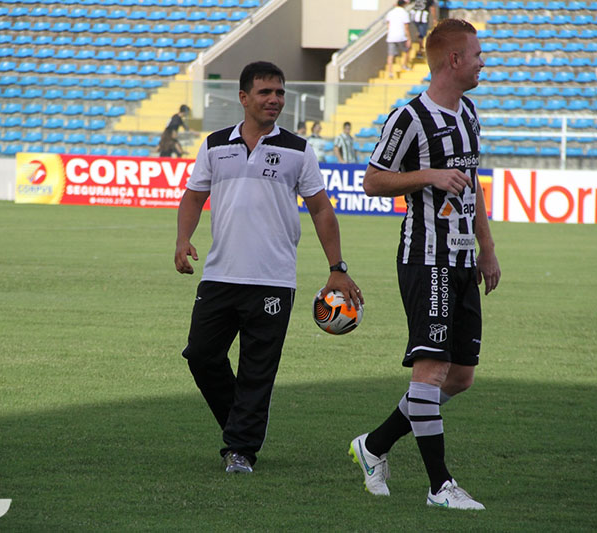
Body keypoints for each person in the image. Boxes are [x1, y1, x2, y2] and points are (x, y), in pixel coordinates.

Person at [175, 61, 363, 474]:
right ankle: (240, 425)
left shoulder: (298, 149)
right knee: (201, 356)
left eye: (279, 93)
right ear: (244, 98)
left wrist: (338, 267)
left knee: (257, 370)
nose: (274, 99)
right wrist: (182, 238)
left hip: (272, 281)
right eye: (265, 92)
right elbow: (193, 197)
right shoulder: (213, 145)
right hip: (220, 274)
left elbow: (321, 210)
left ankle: (240, 449)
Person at [349, 19, 500, 510]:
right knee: (431, 371)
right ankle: (440, 486)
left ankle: (373, 446)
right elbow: (372, 181)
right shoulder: (409, 117)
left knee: (459, 378)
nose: (482, 61)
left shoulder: (470, 112)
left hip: (461, 259)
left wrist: (488, 248)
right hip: (425, 257)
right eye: (476, 54)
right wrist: (430, 174)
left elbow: (472, 186)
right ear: (452, 60)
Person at [385, 0, 412, 77]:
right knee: (407, 49)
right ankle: (404, 65)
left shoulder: (390, 13)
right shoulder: (404, 13)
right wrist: (409, 38)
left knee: (390, 55)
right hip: (401, 35)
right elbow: (406, 27)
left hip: (391, 36)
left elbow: (388, 25)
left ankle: (390, 72)